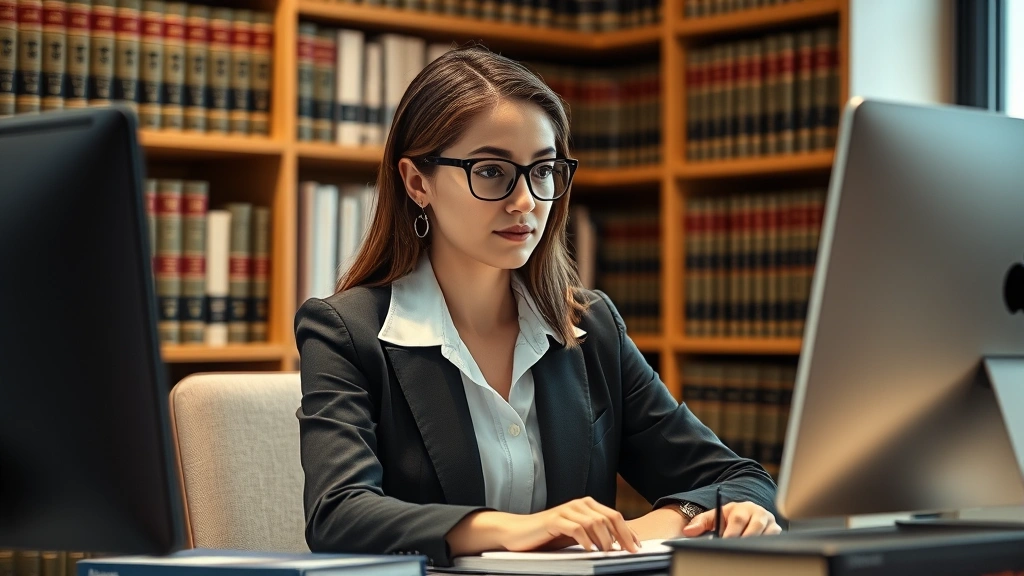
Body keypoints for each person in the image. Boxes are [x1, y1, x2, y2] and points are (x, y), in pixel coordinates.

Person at [294, 45, 782, 569]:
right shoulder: (347, 332)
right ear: (417, 183)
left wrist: (654, 526)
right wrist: (519, 530)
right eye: (491, 171)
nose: (526, 200)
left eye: (543, 170)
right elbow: (338, 513)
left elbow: (743, 482)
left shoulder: (592, 327)